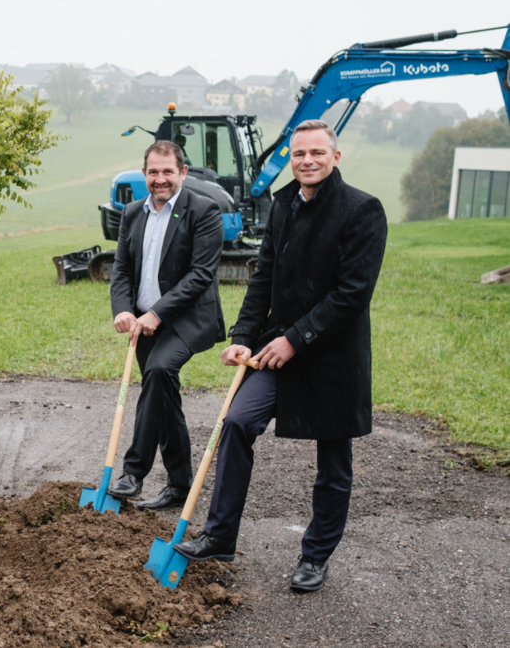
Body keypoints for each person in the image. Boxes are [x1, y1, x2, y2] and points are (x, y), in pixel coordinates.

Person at [175, 120, 388, 593]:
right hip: (279, 349)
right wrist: (244, 335)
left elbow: (351, 294)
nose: (307, 160)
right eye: (298, 154)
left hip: (333, 357)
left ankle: (316, 556)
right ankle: (219, 535)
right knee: (236, 423)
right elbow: (263, 276)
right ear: (290, 159)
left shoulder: (362, 210)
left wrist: (294, 339)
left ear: (336, 156)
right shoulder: (282, 205)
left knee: (333, 462)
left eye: (316, 152)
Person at [108, 140, 226, 511]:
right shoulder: (131, 213)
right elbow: (122, 269)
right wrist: (122, 310)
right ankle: (179, 486)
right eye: (153, 172)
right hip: (142, 323)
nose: (160, 179)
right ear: (144, 174)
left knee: (159, 371)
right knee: (165, 396)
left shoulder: (204, 211)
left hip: (187, 318)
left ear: (183, 173)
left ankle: (133, 471)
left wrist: (156, 313)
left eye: (168, 172)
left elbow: (200, 275)